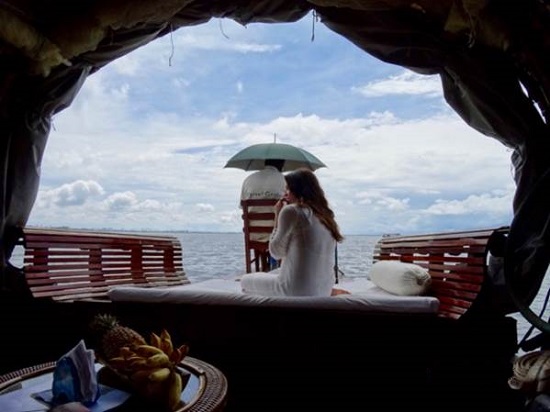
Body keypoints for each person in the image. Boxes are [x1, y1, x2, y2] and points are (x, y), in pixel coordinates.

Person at [240, 168, 344, 296]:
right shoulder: (326, 216)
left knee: (245, 280)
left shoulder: (291, 211)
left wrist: (277, 215)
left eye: (288, 189)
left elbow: (276, 253)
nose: (285, 194)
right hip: (324, 290)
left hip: (294, 291)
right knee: (275, 272)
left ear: (298, 191)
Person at [240, 158, 285, 243]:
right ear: (281, 164)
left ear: (265, 162)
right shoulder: (285, 180)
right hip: (278, 236)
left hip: (253, 235)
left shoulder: (248, 180)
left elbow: (242, 207)